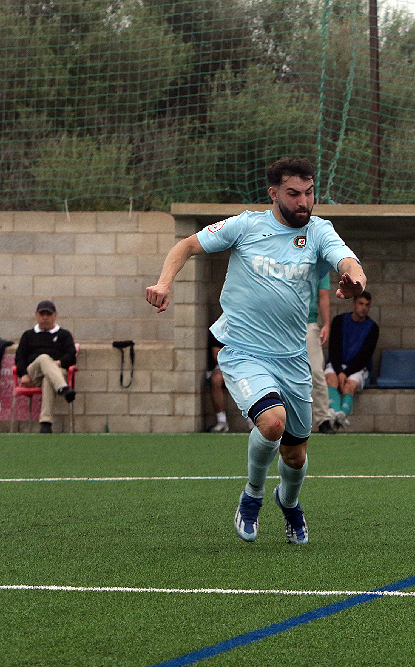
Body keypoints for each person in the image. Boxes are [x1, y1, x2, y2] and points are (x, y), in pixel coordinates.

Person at [145, 157, 366, 545]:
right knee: (272, 423)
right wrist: (164, 283)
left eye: (309, 192)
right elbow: (186, 245)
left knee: (296, 456)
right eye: (293, 193)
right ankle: (253, 494)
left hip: (293, 358)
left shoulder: (319, 231)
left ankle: (289, 502)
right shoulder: (245, 225)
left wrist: (356, 281)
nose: (304, 201)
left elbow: (348, 260)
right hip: (244, 351)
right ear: (274, 194)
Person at [14, 300, 77, 433]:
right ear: (36, 315)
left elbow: (71, 355)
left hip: (57, 372)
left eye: (48, 314)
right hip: (33, 373)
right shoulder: (28, 335)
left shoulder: (64, 334)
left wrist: (59, 363)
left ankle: (46, 424)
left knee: (49, 378)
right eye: (42, 314)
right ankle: (63, 388)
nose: (45, 317)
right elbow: (19, 357)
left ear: (55, 316)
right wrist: (23, 374)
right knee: (43, 358)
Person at [325, 290, 379, 430]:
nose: (364, 308)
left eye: (367, 305)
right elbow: (333, 349)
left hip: (358, 368)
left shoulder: (372, 328)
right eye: (361, 304)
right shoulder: (339, 321)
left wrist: (345, 373)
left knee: (349, 385)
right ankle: (336, 414)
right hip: (336, 365)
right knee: (331, 379)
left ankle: (342, 415)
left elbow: (364, 356)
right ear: (354, 304)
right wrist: (339, 372)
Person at [307, 275, 336, 434]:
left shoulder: (320, 266)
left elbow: (324, 296)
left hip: (308, 324)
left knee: (316, 372)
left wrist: (326, 324)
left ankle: (323, 419)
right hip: (282, 325)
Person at [207, 329, 229, 432]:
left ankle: (252, 422)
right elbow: (217, 355)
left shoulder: (246, 328)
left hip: (245, 365)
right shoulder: (219, 329)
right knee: (216, 379)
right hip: (225, 366)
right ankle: (222, 421)